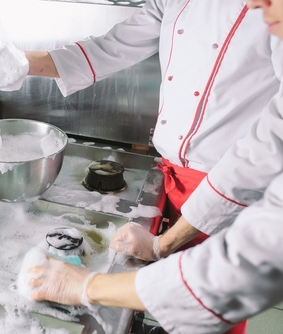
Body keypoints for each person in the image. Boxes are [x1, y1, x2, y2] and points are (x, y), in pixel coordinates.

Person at [20, 1, 283, 333]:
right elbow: (111, 46)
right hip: (174, 177)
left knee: (210, 317)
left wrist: (87, 285)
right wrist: (21, 63)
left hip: (229, 186)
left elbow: (217, 283)